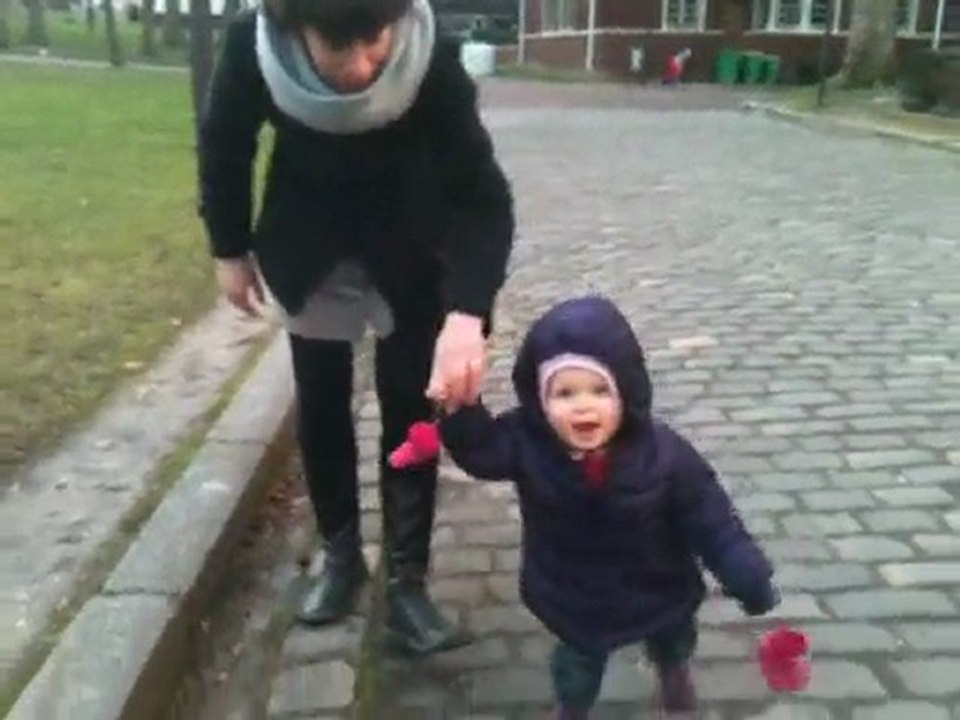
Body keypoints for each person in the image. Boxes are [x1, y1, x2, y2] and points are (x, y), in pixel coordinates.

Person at [197, 0, 514, 656]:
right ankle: (341, 557)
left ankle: (408, 581)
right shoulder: (253, 49)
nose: (366, 66)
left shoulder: (431, 57)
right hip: (309, 247)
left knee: (410, 409)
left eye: (375, 42)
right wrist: (228, 246)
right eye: (340, 49)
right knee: (321, 405)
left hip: (410, 245)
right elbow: (225, 144)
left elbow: (482, 196)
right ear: (293, 29)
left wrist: (467, 312)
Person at [436, 296, 779, 718]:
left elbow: (712, 519)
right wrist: (460, 410)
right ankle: (572, 707)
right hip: (574, 596)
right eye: (563, 393)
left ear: (626, 391)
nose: (583, 405)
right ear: (539, 403)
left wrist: (745, 572)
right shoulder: (529, 443)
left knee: (673, 638)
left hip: (659, 587)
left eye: (600, 390)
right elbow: (481, 452)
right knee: (577, 667)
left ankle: (673, 672)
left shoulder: (666, 455)